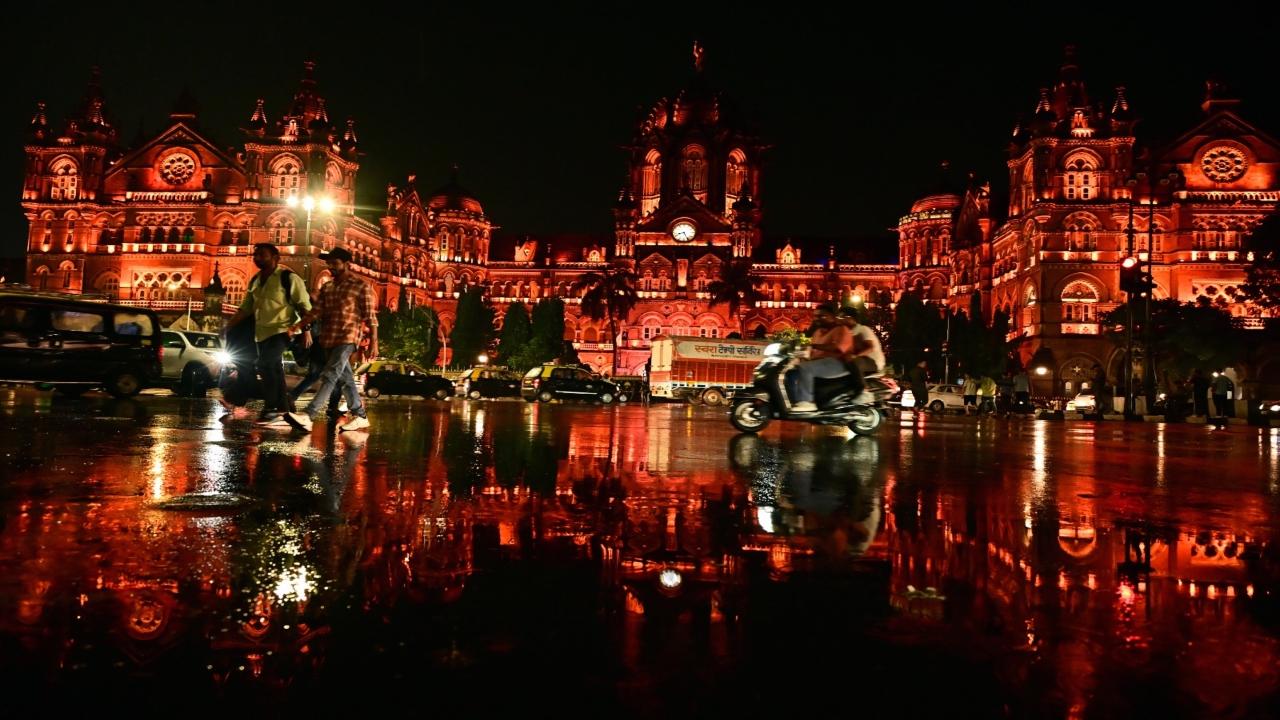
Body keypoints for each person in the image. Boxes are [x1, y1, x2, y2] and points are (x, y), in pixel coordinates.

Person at [284, 247, 378, 432]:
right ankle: (360, 415)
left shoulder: (360, 286)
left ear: (347, 264)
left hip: (348, 337)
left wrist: (374, 342)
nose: (331, 267)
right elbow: (315, 312)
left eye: (335, 263)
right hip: (328, 338)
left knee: (331, 374)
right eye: (329, 264)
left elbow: (371, 317)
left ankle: (308, 415)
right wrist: (297, 326)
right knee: (346, 380)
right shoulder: (328, 287)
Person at [225, 243, 311, 426]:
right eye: (256, 255)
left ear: (276, 258)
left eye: (263, 255)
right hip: (261, 332)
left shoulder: (288, 278)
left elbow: (304, 306)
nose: (258, 258)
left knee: (264, 364)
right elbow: (246, 308)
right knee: (274, 369)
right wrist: (228, 325)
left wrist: (305, 330)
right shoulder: (255, 280)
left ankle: (272, 409)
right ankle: (284, 407)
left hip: (283, 330)